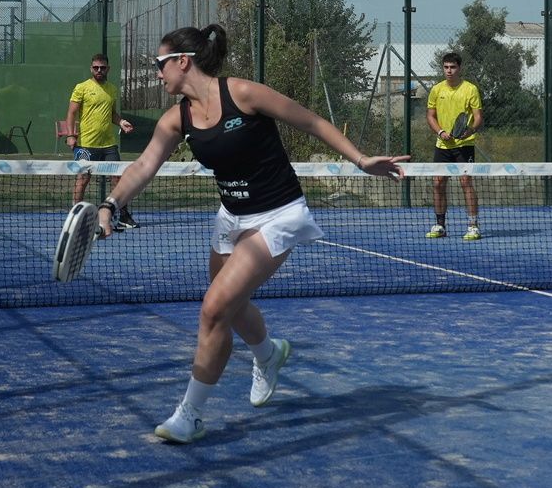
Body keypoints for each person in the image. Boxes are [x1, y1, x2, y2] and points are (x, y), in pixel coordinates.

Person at [94, 25, 408, 444]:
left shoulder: (243, 93)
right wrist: (110, 204)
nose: (157, 73)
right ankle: (269, 353)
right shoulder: (177, 119)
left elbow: (311, 121)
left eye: (159, 64)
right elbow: (144, 166)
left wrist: (360, 159)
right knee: (232, 307)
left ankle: (190, 415)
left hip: (279, 215)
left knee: (214, 309)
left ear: (182, 62)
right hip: (231, 217)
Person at [65, 52, 137, 228]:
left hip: (109, 145)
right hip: (86, 145)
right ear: (91, 68)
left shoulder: (112, 89)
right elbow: (71, 113)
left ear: (108, 69)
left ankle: (123, 216)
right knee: (83, 179)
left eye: (102, 68)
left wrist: (121, 122)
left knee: (118, 179)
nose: (99, 70)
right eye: (96, 67)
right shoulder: (81, 87)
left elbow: (112, 114)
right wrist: (71, 135)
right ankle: (75, 216)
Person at [425, 52, 484, 240]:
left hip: (464, 145)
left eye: (453, 67)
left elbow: (478, 118)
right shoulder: (436, 90)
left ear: (459, 68)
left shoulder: (470, 89)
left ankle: (473, 226)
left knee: (466, 183)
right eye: (446, 67)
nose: (449, 71)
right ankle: (440, 225)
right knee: (438, 183)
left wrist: (470, 130)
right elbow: (430, 116)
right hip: (442, 145)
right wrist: (441, 132)